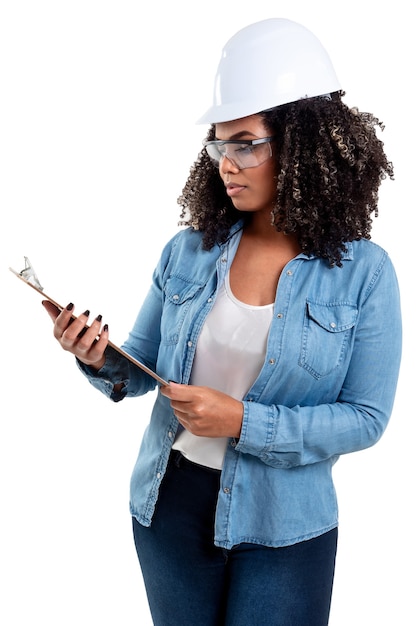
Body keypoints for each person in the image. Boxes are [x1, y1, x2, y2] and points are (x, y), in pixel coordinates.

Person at [42, 18, 402, 626]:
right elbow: (139, 369)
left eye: (245, 143)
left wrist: (242, 421)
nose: (226, 164)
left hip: (285, 524)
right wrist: (95, 355)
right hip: (169, 505)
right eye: (218, 145)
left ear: (302, 145)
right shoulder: (188, 252)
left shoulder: (364, 274)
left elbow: (366, 418)